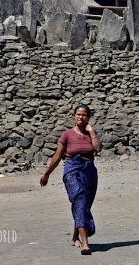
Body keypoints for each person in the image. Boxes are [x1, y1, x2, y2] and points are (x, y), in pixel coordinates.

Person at [40, 104, 102, 255]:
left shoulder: (90, 134)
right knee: (79, 198)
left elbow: (98, 149)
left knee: (83, 205)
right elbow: (57, 156)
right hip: (72, 170)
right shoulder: (67, 135)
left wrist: (92, 131)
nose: (81, 117)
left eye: (84, 115)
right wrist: (47, 173)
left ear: (88, 117)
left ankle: (76, 236)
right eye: (78, 114)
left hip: (89, 171)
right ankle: (85, 243)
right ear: (74, 116)